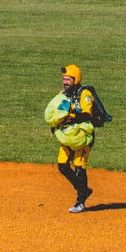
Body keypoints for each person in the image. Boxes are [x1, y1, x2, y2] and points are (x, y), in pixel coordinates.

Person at [44, 64, 97, 212]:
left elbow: (88, 115)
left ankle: (80, 200)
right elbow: (58, 111)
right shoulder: (63, 94)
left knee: (79, 168)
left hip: (83, 136)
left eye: (68, 79)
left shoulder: (84, 94)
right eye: (64, 79)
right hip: (69, 136)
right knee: (62, 165)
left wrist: (71, 117)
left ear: (76, 79)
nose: (65, 82)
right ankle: (83, 190)